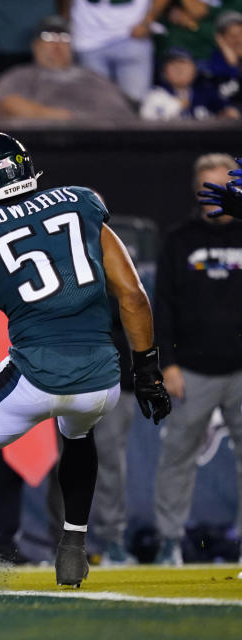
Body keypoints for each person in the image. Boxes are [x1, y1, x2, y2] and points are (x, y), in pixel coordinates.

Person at [0, 132, 170, 594]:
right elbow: (133, 296)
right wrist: (148, 370)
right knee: (79, 431)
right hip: (103, 380)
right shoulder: (80, 202)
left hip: (34, 375)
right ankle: (73, 546)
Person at [151, 153, 242, 566]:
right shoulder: (177, 240)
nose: (214, 197)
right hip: (190, 369)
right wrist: (167, 363)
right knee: (177, 459)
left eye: (223, 187)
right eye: (207, 188)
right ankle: (170, 542)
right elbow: (162, 306)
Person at [0, 16, 135, 120]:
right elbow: (6, 104)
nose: (57, 44)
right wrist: (63, 118)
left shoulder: (94, 78)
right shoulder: (20, 76)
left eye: (64, 37)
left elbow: (121, 111)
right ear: (35, 45)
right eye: (48, 37)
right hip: (41, 145)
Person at [69, 0, 167, 103]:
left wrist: (147, 21)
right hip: (89, 38)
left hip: (132, 37)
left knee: (135, 105)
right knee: (96, 105)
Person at [141, 47, 239, 120]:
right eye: (173, 66)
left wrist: (227, 114)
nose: (179, 69)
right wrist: (177, 105)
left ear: (194, 71)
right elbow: (147, 117)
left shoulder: (207, 93)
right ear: (164, 73)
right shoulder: (155, 95)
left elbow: (226, 110)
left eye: (183, 64)